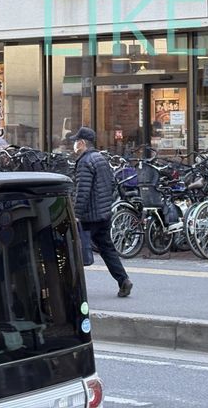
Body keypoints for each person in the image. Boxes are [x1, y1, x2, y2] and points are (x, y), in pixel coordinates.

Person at [71, 126, 133, 298]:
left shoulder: (85, 161)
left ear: (82, 143)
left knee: (75, 250)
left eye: (76, 142)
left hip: (89, 215)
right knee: (107, 249)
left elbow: (82, 191)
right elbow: (111, 184)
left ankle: (74, 289)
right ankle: (123, 280)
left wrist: (76, 214)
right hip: (104, 213)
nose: (74, 145)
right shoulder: (100, 158)